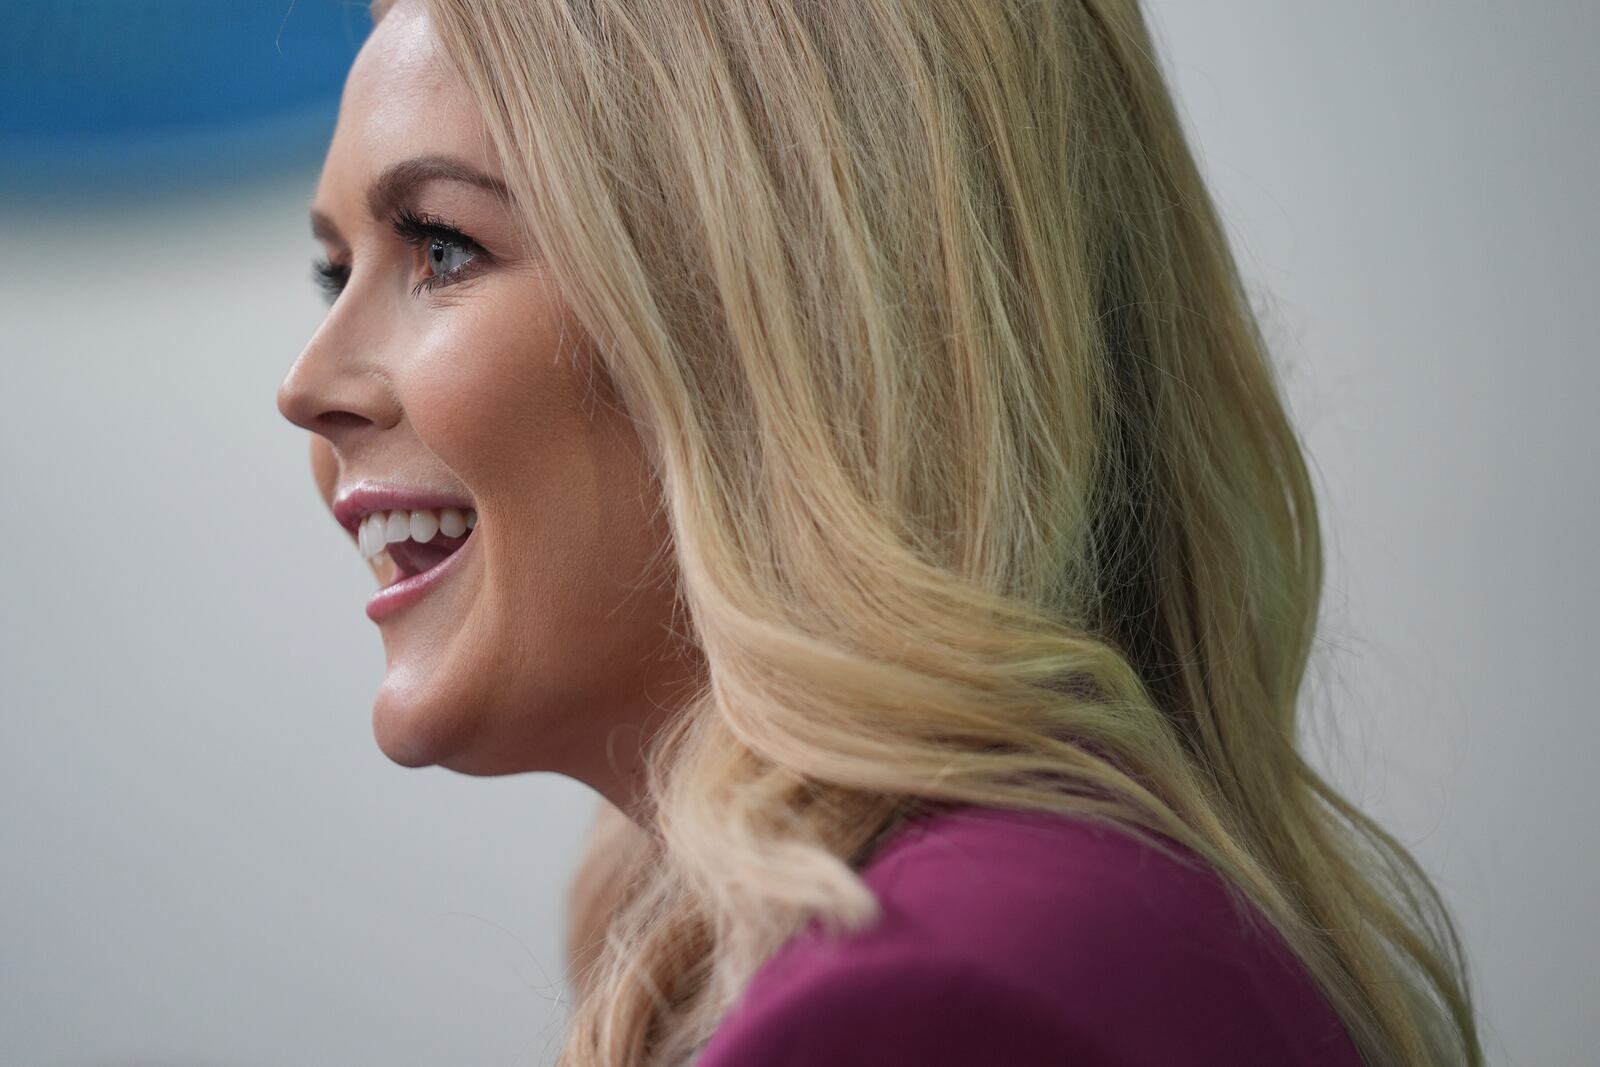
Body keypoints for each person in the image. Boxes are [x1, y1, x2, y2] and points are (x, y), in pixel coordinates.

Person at [276, 1, 1484, 1065]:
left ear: (779, 319)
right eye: (338, 272)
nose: (307, 384)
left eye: (441, 247)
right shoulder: (1052, 919)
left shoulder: (923, 1000)